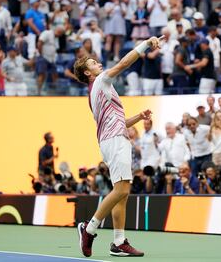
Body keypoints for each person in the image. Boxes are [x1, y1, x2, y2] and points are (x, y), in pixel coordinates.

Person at [72, 36, 164, 257]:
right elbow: (124, 63)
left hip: (113, 138)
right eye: (93, 63)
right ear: (87, 73)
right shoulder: (102, 81)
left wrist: (138, 118)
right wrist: (146, 44)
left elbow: (117, 121)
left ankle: (119, 242)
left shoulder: (98, 91)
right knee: (122, 189)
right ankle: (90, 227)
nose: (98, 64)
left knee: (122, 193)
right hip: (115, 140)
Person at [36, 26, 64, 94]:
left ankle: (54, 91)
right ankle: (38, 91)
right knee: (42, 74)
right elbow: (40, 42)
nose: (59, 34)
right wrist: (41, 54)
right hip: (43, 57)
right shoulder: (47, 33)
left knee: (55, 74)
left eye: (61, 34)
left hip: (52, 59)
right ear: (55, 29)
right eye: (59, 32)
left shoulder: (56, 38)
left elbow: (55, 48)